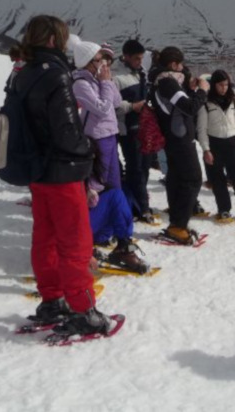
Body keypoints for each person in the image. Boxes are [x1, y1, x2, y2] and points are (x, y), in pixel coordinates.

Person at [9, 15, 115, 336]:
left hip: (36, 170)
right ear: (55, 40)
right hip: (63, 170)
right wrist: (87, 154)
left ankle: (52, 300)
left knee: (45, 238)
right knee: (75, 243)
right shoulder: (56, 75)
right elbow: (67, 130)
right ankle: (84, 311)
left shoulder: (22, 73)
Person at [70, 38, 149, 274]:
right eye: (98, 60)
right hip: (97, 138)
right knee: (102, 186)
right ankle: (100, 234)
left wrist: (107, 81)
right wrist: (105, 83)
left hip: (110, 134)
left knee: (115, 185)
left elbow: (114, 102)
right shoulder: (80, 84)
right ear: (87, 62)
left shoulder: (98, 80)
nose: (103, 63)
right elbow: (102, 108)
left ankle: (110, 234)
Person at [148, 46, 209, 245]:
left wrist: (189, 89)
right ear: (173, 65)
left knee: (176, 177)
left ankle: (176, 221)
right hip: (179, 138)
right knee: (193, 178)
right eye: (181, 64)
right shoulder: (167, 83)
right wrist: (202, 91)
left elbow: (179, 104)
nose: (183, 68)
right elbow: (189, 107)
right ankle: (178, 226)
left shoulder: (165, 81)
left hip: (174, 137)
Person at [197, 70, 235, 223]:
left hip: (232, 142)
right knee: (218, 180)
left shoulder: (234, 102)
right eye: (220, 85)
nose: (224, 88)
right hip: (214, 144)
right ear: (213, 85)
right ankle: (224, 209)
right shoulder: (206, 104)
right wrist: (206, 150)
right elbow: (202, 130)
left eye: (226, 85)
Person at [114, 40, 159, 225]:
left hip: (145, 126)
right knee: (136, 167)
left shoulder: (141, 72)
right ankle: (142, 207)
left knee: (145, 165)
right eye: (136, 58)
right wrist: (132, 106)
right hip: (128, 128)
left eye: (141, 58)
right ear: (125, 56)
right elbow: (112, 105)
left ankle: (137, 201)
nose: (140, 61)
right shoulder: (116, 76)